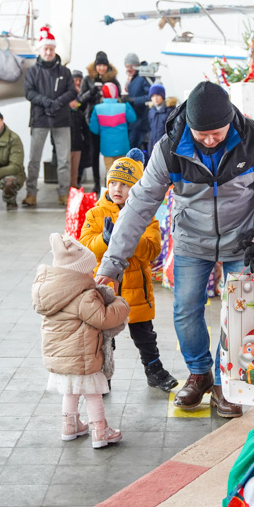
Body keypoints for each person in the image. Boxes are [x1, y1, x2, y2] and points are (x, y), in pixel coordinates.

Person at [94, 81, 254, 418]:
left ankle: (226, 383)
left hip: (243, 240)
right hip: (191, 239)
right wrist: (112, 264)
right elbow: (139, 206)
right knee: (186, 308)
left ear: (231, 119)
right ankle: (200, 373)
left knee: (241, 314)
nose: (210, 140)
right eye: (203, 135)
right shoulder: (169, 148)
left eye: (216, 133)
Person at [80, 153, 179, 392]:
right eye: (113, 182)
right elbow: (84, 246)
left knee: (145, 335)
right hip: (105, 290)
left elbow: (153, 249)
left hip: (137, 291)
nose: (118, 189)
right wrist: (105, 241)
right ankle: (103, 376)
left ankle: (154, 370)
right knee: (103, 339)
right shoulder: (95, 214)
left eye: (125, 184)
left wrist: (126, 238)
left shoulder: (146, 216)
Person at [33, 233, 130, 448]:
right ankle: (100, 431)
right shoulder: (84, 296)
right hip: (84, 356)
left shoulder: (50, 292)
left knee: (71, 390)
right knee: (93, 393)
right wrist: (120, 303)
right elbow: (104, 319)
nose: (92, 273)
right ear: (77, 273)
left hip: (61, 357)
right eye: (89, 269)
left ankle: (70, 426)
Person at [23, 26, 77, 207]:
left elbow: (71, 91)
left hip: (62, 119)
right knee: (34, 159)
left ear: (55, 50)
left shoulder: (65, 72)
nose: (48, 52)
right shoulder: (32, 72)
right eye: (45, 48)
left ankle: (64, 193)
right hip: (40, 119)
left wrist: (57, 103)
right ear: (39, 50)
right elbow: (29, 92)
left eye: (51, 48)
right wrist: (47, 102)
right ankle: (31, 193)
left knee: (64, 160)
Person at [79, 51, 120, 194]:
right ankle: (97, 183)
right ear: (95, 66)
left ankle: (111, 182)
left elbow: (119, 98)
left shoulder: (113, 80)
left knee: (111, 153)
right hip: (93, 121)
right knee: (94, 153)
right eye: (99, 65)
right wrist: (91, 93)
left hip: (110, 123)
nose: (101, 68)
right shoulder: (87, 79)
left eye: (104, 65)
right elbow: (80, 100)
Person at [88, 83, 136, 172]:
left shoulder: (98, 108)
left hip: (106, 147)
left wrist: (102, 131)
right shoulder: (124, 107)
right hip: (123, 146)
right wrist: (127, 104)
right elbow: (133, 118)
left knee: (110, 171)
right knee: (122, 172)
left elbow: (93, 127)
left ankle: (110, 185)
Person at [121, 53, 151, 151]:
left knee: (134, 145)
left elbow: (150, 96)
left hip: (141, 119)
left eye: (130, 66)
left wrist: (134, 101)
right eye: (126, 67)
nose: (128, 69)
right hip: (133, 118)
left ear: (136, 65)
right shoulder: (133, 78)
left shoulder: (144, 77)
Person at [69, 70, 90, 189]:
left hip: (81, 133)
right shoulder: (68, 95)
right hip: (71, 134)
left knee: (80, 163)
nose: (77, 82)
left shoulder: (84, 95)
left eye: (79, 80)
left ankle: (77, 182)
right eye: (75, 80)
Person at [147, 83, 175, 157]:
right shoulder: (151, 111)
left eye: (158, 95)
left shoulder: (170, 111)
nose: (155, 98)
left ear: (163, 96)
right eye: (153, 96)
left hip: (166, 145)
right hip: (153, 143)